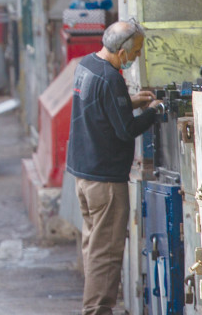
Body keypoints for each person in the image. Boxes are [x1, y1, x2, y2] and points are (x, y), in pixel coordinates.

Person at [66, 20, 162, 315]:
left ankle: (93, 306)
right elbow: (126, 129)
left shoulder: (87, 65)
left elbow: (98, 106)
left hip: (83, 176)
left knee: (93, 249)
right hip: (105, 182)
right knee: (105, 255)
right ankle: (96, 310)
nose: (136, 57)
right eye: (135, 52)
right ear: (121, 51)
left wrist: (130, 101)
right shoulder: (111, 78)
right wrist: (155, 111)